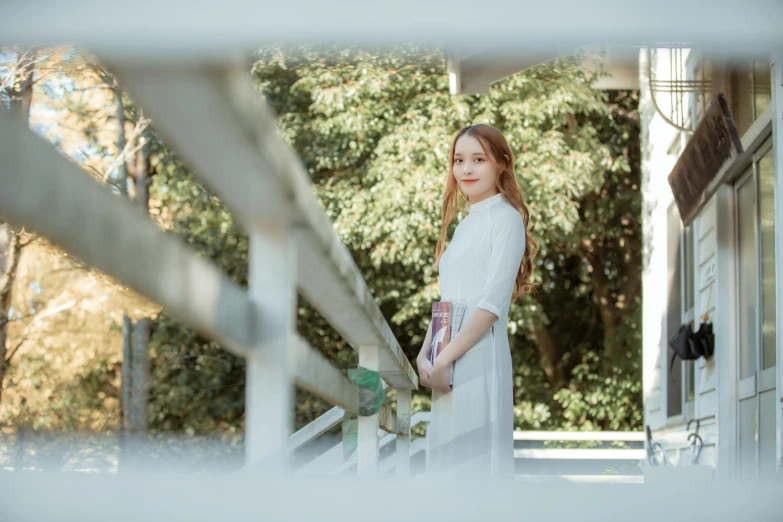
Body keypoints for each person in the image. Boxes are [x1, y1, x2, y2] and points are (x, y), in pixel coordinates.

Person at [416, 123, 537, 479]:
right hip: (447, 360)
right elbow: (448, 300)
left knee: (474, 469)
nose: (466, 169)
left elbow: (491, 304)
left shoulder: (506, 219)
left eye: (478, 159)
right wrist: (426, 354)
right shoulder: (465, 225)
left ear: (501, 163)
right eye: (458, 160)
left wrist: (444, 358)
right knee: (447, 470)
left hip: (477, 355)